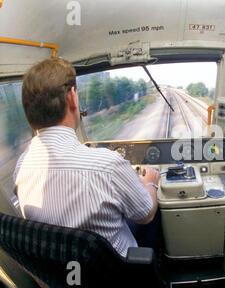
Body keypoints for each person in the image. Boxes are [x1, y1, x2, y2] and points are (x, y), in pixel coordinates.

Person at [13, 57, 160, 258]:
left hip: (61, 275)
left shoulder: (21, 167)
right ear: (72, 97)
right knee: (153, 213)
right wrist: (150, 183)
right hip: (114, 271)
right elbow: (145, 214)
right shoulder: (108, 164)